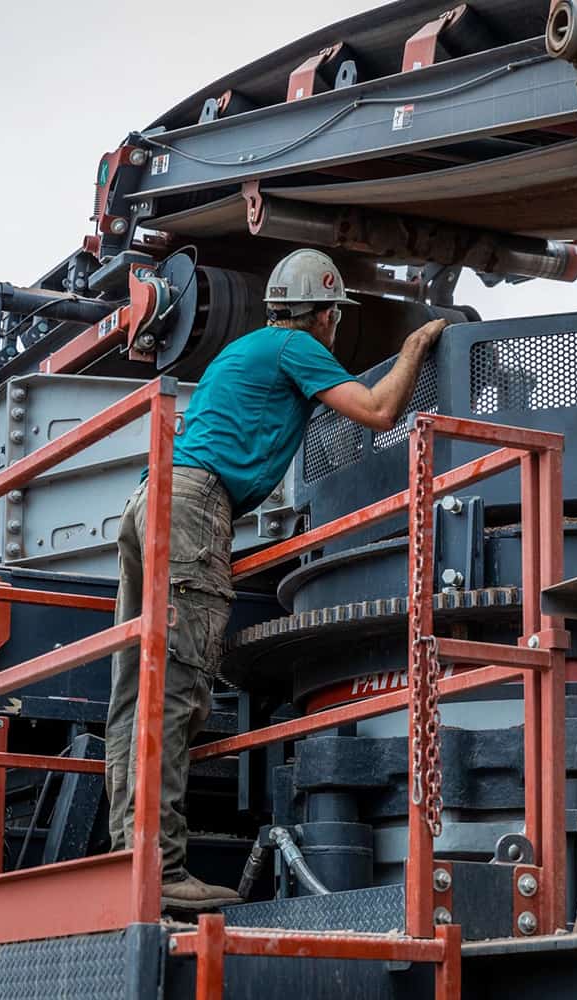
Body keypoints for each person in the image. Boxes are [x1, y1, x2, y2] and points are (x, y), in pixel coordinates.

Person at [105, 248, 448, 913]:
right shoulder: (296, 348)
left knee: (136, 688)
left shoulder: (242, 353)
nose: (335, 328)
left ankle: (130, 856)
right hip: (192, 511)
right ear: (324, 314)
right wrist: (413, 347)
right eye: (335, 316)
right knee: (176, 688)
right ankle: (159, 867)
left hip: (149, 504)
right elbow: (377, 411)